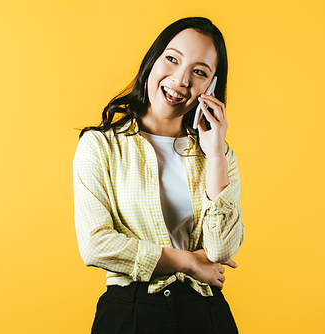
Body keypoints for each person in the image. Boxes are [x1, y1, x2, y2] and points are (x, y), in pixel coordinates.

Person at [73, 17, 245, 334]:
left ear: (211, 86)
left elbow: (223, 250)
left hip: (204, 315)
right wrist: (187, 261)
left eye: (199, 71)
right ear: (153, 60)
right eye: (172, 58)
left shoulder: (219, 155)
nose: (180, 79)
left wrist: (216, 154)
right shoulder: (100, 147)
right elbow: (96, 246)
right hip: (130, 314)